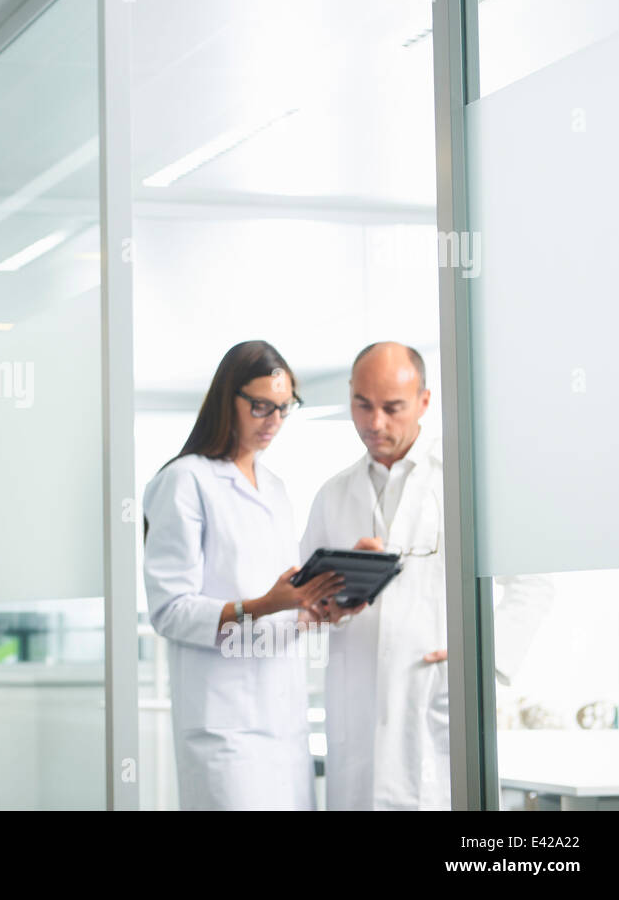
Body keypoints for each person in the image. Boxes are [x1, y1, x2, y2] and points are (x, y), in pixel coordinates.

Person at [301, 342, 551, 810]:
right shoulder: (331, 495)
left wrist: (482, 658)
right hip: (356, 708)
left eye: (392, 408)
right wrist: (327, 608)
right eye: (362, 405)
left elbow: (533, 582)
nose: (375, 424)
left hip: (437, 702)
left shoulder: (466, 478)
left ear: (424, 402)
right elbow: (309, 607)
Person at [142, 340, 344, 810]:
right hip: (224, 722)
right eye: (260, 406)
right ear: (226, 399)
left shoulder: (276, 489)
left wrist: (313, 608)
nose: (273, 421)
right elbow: (170, 611)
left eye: (284, 408)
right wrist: (266, 605)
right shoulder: (185, 481)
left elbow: (281, 605)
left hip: (284, 716)